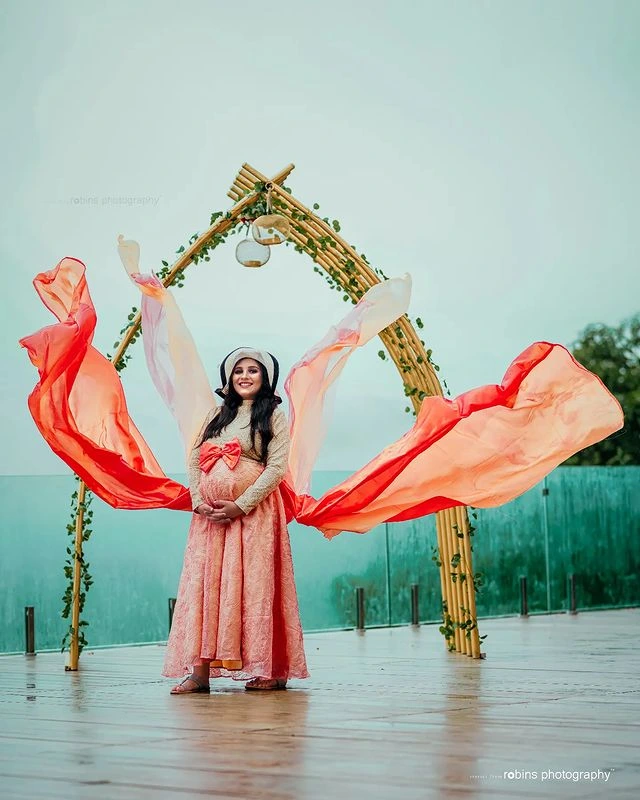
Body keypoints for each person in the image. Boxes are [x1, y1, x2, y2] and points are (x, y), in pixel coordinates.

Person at [165, 348, 309, 693]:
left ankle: (271, 669)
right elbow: (194, 460)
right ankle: (199, 673)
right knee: (205, 587)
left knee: (256, 588)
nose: (245, 376)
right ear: (228, 378)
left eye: (253, 371)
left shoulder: (273, 416)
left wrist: (240, 505)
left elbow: (276, 468)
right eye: (238, 370)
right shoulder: (215, 416)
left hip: (254, 516)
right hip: (209, 521)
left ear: (265, 378)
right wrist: (199, 502)